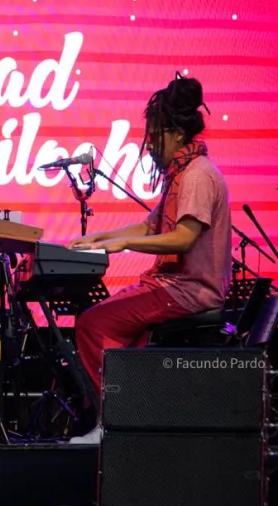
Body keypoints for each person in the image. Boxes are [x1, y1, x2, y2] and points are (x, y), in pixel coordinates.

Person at [67, 76, 231, 444]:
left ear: (175, 134)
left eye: (155, 137)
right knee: (117, 324)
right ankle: (132, 416)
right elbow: (148, 225)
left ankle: (117, 422)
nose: (151, 147)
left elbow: (183, 238)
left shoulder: (197, 177)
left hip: (191, 290)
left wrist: (120, 245)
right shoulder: (182, 175)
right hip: (178, 287)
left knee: (94, 325)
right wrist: (100, 237)